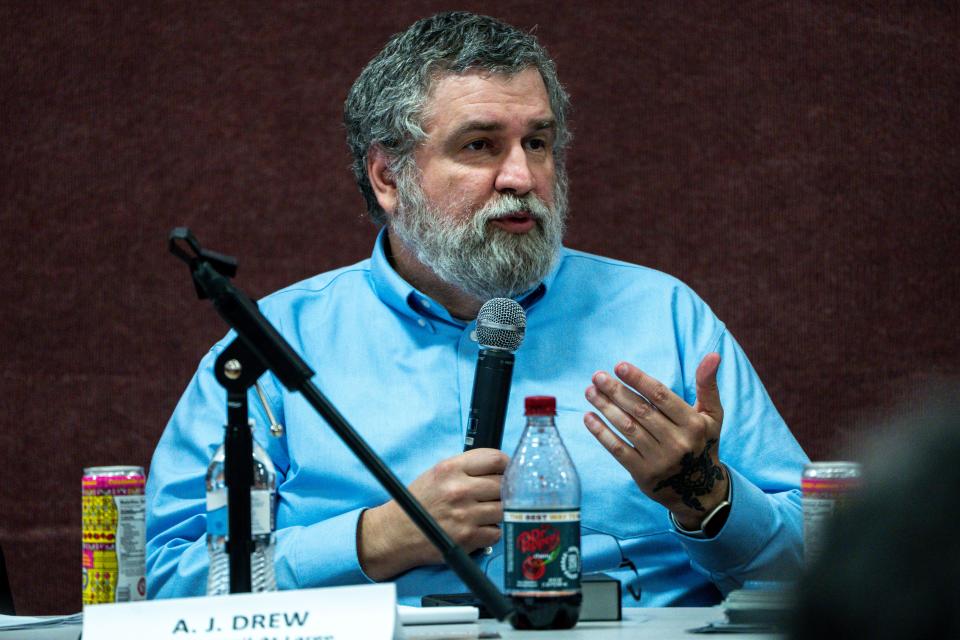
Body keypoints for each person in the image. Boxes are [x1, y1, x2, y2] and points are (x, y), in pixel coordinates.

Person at [146, 11, 808, 607]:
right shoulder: (272, 349)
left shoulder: (665, 317)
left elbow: (828, 563)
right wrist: (377, 538)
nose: (522, 177)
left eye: (538, 143)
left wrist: (709, 500)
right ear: (388, 176)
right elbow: (166, 580)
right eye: (480, 145)